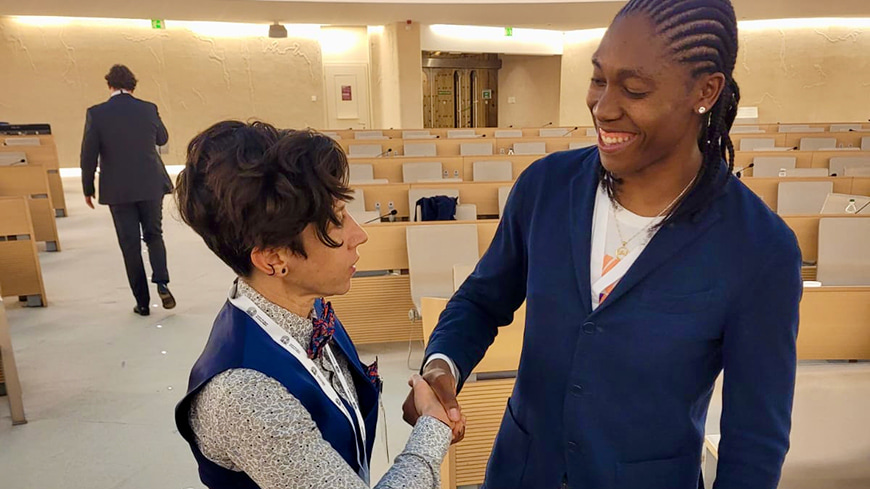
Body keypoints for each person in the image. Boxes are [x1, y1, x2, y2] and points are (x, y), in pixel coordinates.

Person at [404, 1, 802, 488]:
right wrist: (443, 367)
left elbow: (754, 442)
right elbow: (481, 300)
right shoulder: (547, 187)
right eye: (598, 79)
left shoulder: (759, 249)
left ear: (706, 90)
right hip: (523, 472)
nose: (603, 107)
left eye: (634, 89)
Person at [173, 121, 462, 489]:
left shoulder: (310, 310)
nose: (359, 235)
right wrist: (433, 428)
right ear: (274, 258)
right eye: (337, 220)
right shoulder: (246, 396)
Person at [80, 64, 175, 316]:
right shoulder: (148, 108)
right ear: (133, 86)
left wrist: (87, 187)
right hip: (150, 182)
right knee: (154, 234)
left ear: (109, 85)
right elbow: (162, 138)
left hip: (117, 189)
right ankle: (162, 282)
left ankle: (142, 303)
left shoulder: (97, 113)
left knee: (129, 244)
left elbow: (88, 154)